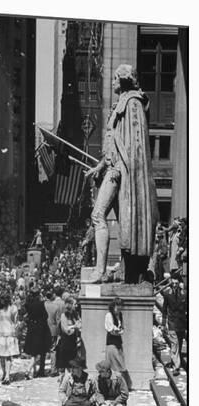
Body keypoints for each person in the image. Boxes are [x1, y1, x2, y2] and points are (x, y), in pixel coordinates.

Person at [84, 64, 158, 284]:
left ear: (124, 80)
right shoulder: (122, 104)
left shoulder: (133, 103)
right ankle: (111, 270)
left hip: (120, 172)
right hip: (113, 169)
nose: (112, 81)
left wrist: (118, 168)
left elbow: (135, 147)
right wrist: (99, 167)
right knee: (106, 218)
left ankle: (100, 270)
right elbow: (113, 145)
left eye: (116, 77)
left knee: (98, 214)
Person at [0, 291, 20, 385]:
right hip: (10, 333)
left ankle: (4, 373)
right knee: (8, 356)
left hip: (1, 334)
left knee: (2, 356)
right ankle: (7, 375)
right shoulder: (13, 308)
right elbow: (16, 322)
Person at [162, 270, 187, 376]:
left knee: (179, 343)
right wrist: (163, 322)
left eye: (177, 283)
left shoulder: (185, 294)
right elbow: (164, 308)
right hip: (172, 321)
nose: (175, 285)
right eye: (173, 284)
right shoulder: (167, 294)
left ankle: (175, 361)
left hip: (182, 322)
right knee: (174, 343)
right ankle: (176, 366)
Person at [24, 287, 52, 378]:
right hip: (41, 328)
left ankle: (34, 370)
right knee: (42, 351)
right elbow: (45, 316)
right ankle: (41, 370)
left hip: (31, 328)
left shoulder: (28, 304)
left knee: (33, 351)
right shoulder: (41, 304)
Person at [105, 297, 132, 391]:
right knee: (114, 366)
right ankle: (114, 388)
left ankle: (120, 388)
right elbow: (110, 329)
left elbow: (122, 328)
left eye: (121, 307)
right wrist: (116, 330)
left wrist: (119, 330)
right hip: (111, 343)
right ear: (114, 306)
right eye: (118, 307)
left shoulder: (120, 315)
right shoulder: (109, 315)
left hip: (118, 342)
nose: (119, 309)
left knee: (120, 366)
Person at [55, 296, 81, 376]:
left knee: (72, 365)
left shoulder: (75, 314)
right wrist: (74, 327)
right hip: (65, 343)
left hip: (73, 342)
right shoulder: (64, 316)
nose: (76, 306)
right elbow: (66, 330)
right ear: (69, 305)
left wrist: (74, 327)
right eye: (74, 304)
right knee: (65, 367)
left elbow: (80, 324)